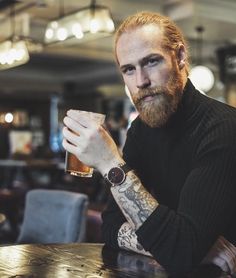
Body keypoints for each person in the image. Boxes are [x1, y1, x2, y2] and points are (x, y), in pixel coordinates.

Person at [62, 11, 236, 276]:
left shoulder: (224, 127)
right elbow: (109, 225)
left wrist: (110, 163)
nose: (140, 81)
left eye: (151, 62)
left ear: (179, 58)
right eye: (129, 69)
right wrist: (174, 246)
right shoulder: (140, 130)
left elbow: (182, 250)